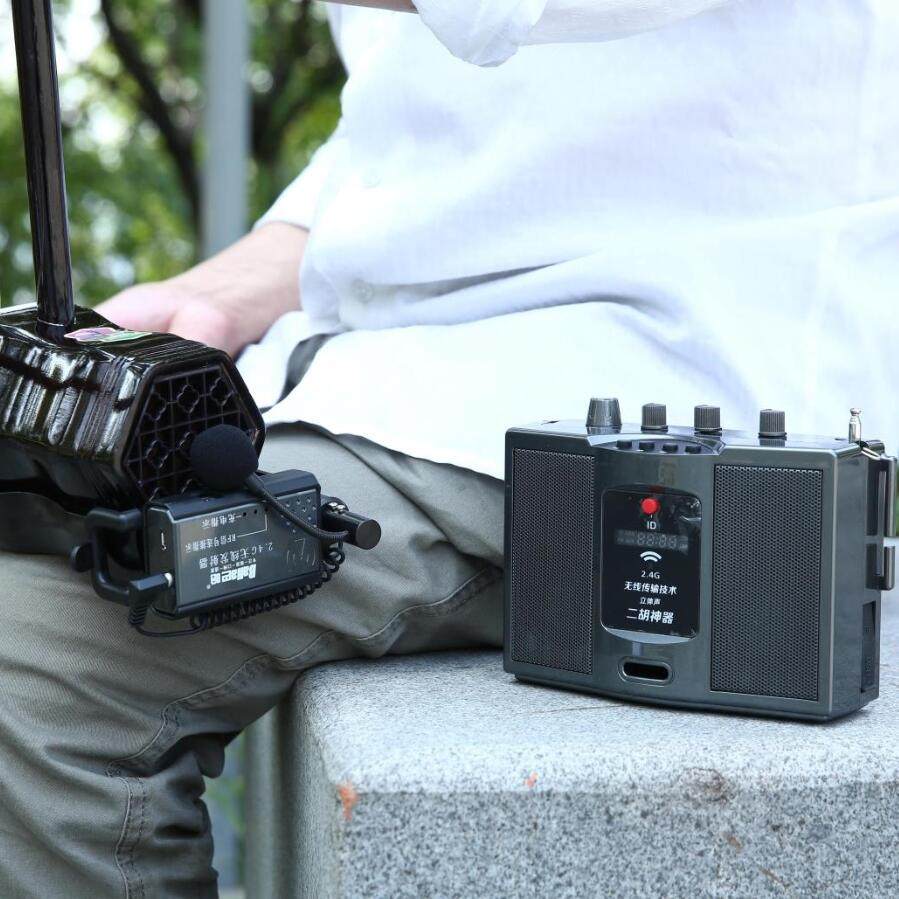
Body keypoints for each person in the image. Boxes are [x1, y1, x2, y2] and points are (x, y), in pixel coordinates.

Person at [2, 1, 897, 896]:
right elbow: (426, 124)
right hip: (374, 370)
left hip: (631, 391)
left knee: (31, 654)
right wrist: (232, 287)